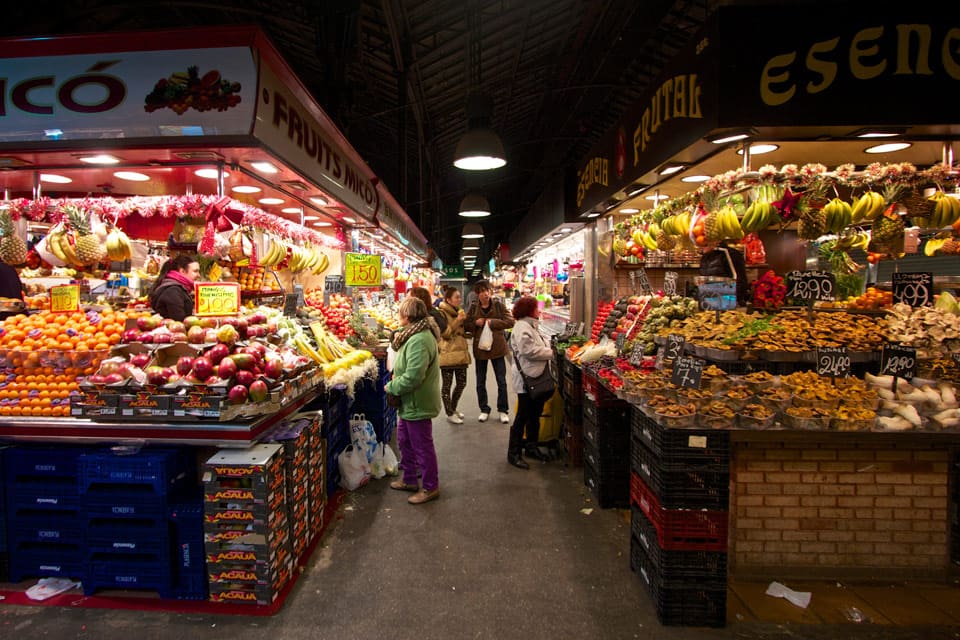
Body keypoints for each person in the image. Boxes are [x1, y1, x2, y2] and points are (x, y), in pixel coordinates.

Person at [384, 296, 443, 505]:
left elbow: (414, 377)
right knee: (405, 442)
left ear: (406, 316)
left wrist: (391, 386)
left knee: (422, 446)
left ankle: (430, 487)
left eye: (400, 313)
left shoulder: (419, 340)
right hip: (409, 402)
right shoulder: (412, 335)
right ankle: (409, 479)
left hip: (418, 402)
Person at [506, 296, 555, 469]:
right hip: (526, 379)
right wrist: (551, 352)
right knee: (523, 415)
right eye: (536, 307)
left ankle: (531, 446)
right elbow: (529, 351)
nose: (539, 310)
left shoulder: (530, 325)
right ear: (529, 310)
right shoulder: (521, 328)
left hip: (534, 376)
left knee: (534, 414)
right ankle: (514, 453)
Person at [464, 280, 515, 423]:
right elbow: (466, 325)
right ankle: (484, 409)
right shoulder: (473, 308)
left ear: (490, 291)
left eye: (487, 290)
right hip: (481, 348)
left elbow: (510, 321)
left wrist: (492, 322)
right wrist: (475, 323)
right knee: (480, 381)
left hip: (497, 348)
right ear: (477, 294)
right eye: (481, 291)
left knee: (501, 381)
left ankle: (503, 410)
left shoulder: (499, 306)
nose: (485, 294)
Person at [437, 287, 470, 424]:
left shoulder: (458, 311)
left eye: (459, 297)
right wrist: (458, 320)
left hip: (461, 351)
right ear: (448, 299)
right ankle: (449, 413)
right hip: (448, 353)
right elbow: (445, 334)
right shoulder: (442, 313)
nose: (459, 299)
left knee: (462, 383)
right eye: (456, 297)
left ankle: (453, 408)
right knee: (447, 385)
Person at [148, 254, 200, 321]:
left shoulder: (175, 287)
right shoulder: (173, 290)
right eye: (195, 271)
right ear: (182, 271)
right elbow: (179, 320)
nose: (199, 275)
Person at [699, 240, 750, 306]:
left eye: (705, 244)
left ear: (716, 242)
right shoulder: (705, 258)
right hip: (710, 304)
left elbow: (741, 281)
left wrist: (731, 300)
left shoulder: (731, 254)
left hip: (730, 304)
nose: (701, 247)